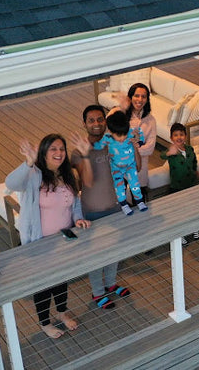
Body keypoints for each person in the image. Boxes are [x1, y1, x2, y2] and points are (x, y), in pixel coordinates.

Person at [5, 134, 91, 338]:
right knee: (43, 285)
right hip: (39, 243)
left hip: (62, 240)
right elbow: (10, 182)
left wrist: (78, 218)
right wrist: (28, 161)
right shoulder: (34, 174)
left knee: (61, 279)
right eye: (53, 149)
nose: (59, 153)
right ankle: (44, 323)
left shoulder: (67, 174)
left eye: (61, 149)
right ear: (43, 152)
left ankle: (61, 313)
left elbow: (75, 201)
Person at [71, 105, 132, 309]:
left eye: (100, 119)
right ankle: (97, 292)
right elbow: (87, 181)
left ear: (105, 122)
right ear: (85, 124)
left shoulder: (113, 144)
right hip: (92, 211)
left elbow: (133, 167)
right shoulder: (78, 151)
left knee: (114, 248)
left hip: (115, 207)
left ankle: (111, 284)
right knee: (95, 254)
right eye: (91, 120)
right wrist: (87, 154)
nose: (96, 123)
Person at [93, 110, 148, 215]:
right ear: (111, 132)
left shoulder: (131, 132)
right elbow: (97, 146)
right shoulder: (107, 138)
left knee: (135, 184)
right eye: (118, 136)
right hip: (116, 167)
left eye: (124, 134)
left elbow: (140, 132)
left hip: (130, 165)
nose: (122, 138)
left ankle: (140, 202)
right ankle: (124, 205)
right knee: (119, 187)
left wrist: (139, 142)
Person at [113, 83, 157, 201]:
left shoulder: (150, 120)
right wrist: (122, 109)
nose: (140, 99)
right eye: (136, 96)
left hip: (140, 169)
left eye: (143, 96)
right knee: (119, 200)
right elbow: (110, 128)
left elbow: (150, 148)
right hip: (120, 166)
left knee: (140, 200)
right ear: (130, 97)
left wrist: (126, 150)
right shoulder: (119, 113)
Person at [160, 122, 199, 246]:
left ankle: (194, 229)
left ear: (185, 136)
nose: (179, 137)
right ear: (171, 138)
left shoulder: (189, 149)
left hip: (190, 185)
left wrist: (195, 170)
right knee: (180, 212)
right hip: (177, 187)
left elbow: (194, 161)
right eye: (176, 135)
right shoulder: (171, 151)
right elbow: (162, 155)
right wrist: (168, 153)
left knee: (193, 208)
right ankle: (181, 234)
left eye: (181, 134)